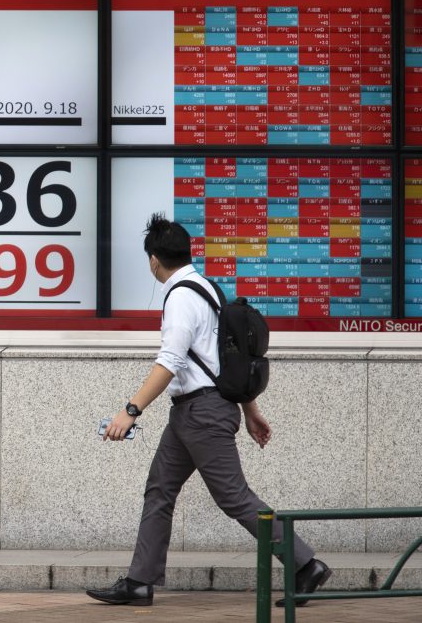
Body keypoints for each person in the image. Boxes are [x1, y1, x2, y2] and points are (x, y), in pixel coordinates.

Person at [86, 213, 331, 608]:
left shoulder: (181, 296)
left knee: (233, 496)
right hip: (192, 413)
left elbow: (170, 361)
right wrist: (250, 410)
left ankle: (305, 564)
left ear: (153, 260)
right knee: (160, 490)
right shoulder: (207, 289)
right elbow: (226, 361)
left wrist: (130, 410)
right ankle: (139, 582)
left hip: (201, 413)